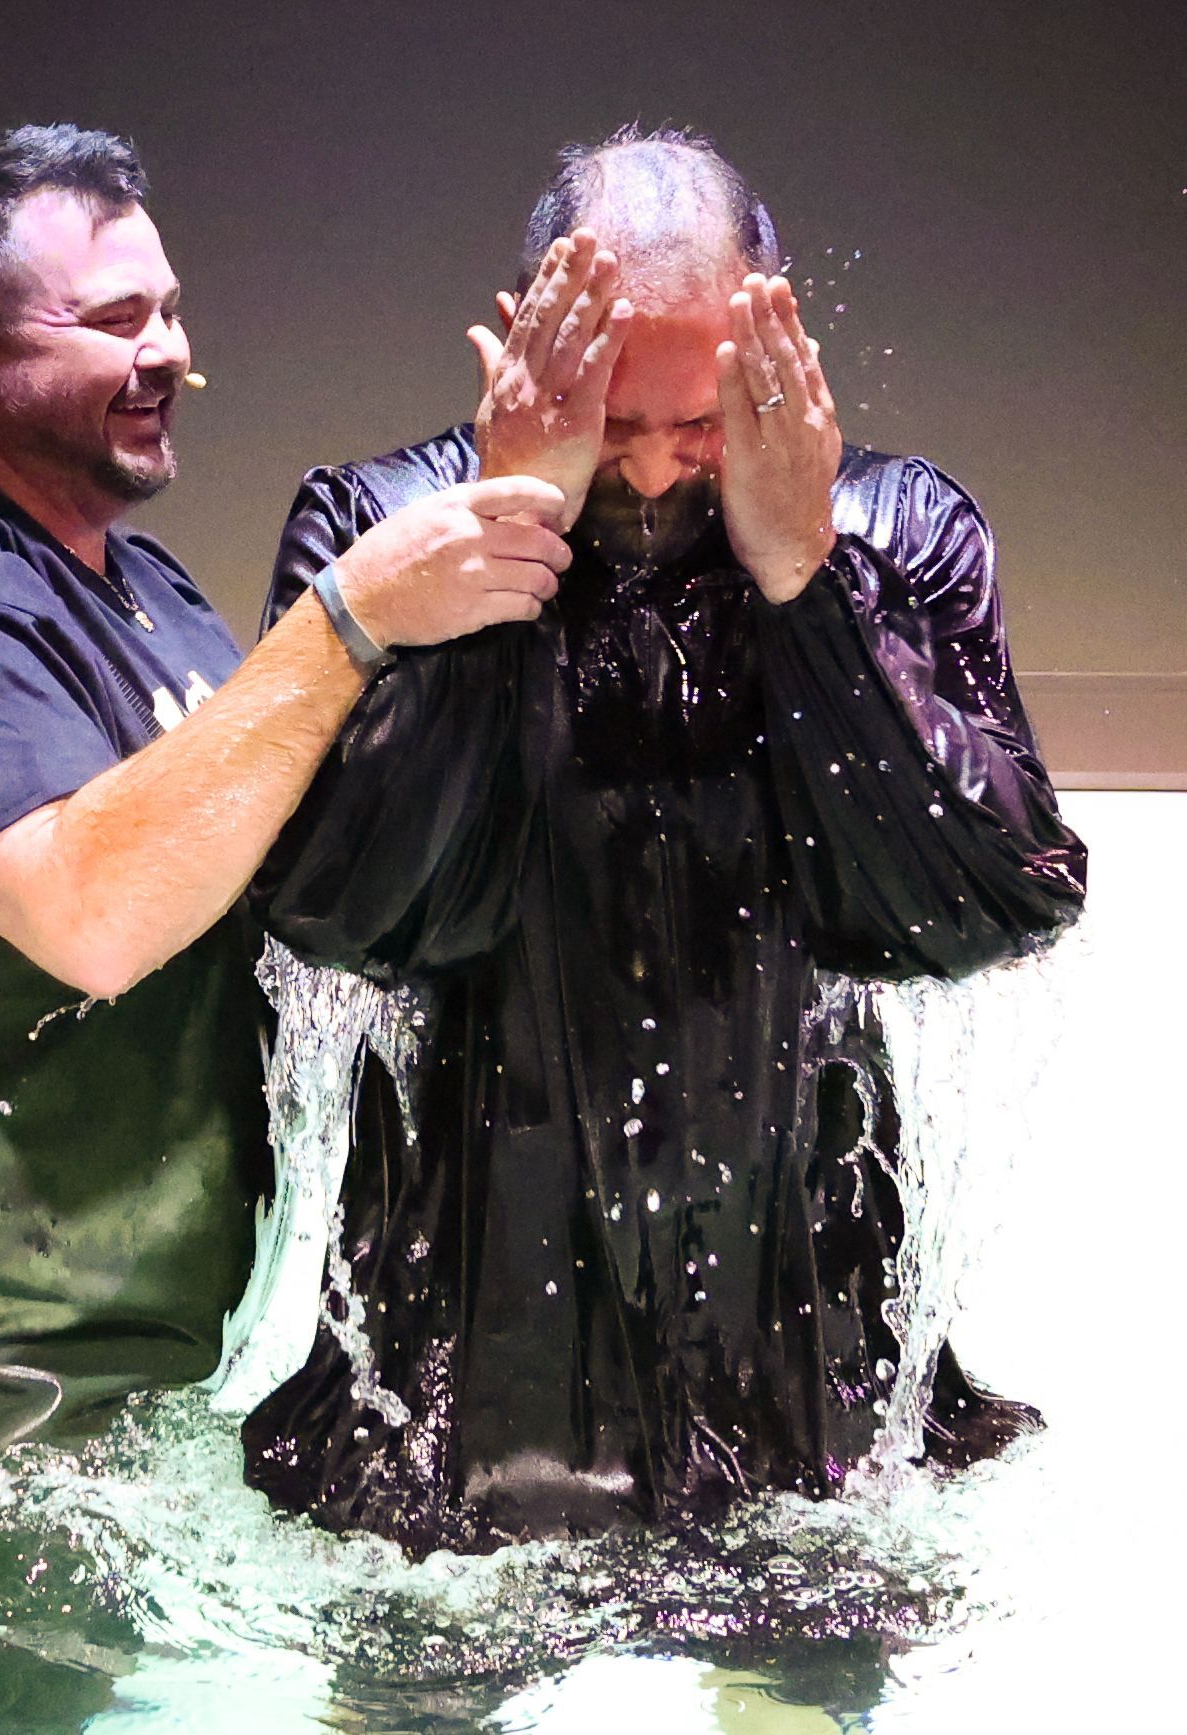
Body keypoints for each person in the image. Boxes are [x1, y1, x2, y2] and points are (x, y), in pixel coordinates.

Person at [240, 124, 1087, 1556]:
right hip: (459, 1389)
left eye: (695, 424)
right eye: (609, 423)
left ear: (781, 335)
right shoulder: (380, 530)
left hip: (810, 1372)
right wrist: (508, 532)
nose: (645, 474)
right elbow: (342, 916)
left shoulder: (896, 527)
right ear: (522, 340)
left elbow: (987, 907)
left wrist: (806, 579)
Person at [0, 123, 572, 1456]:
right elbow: (95, 914)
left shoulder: (144, 589)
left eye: (174, 311)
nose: (172, 355)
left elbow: (280, 851)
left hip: (136, 1351)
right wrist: (351, 611)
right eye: (117, 319)